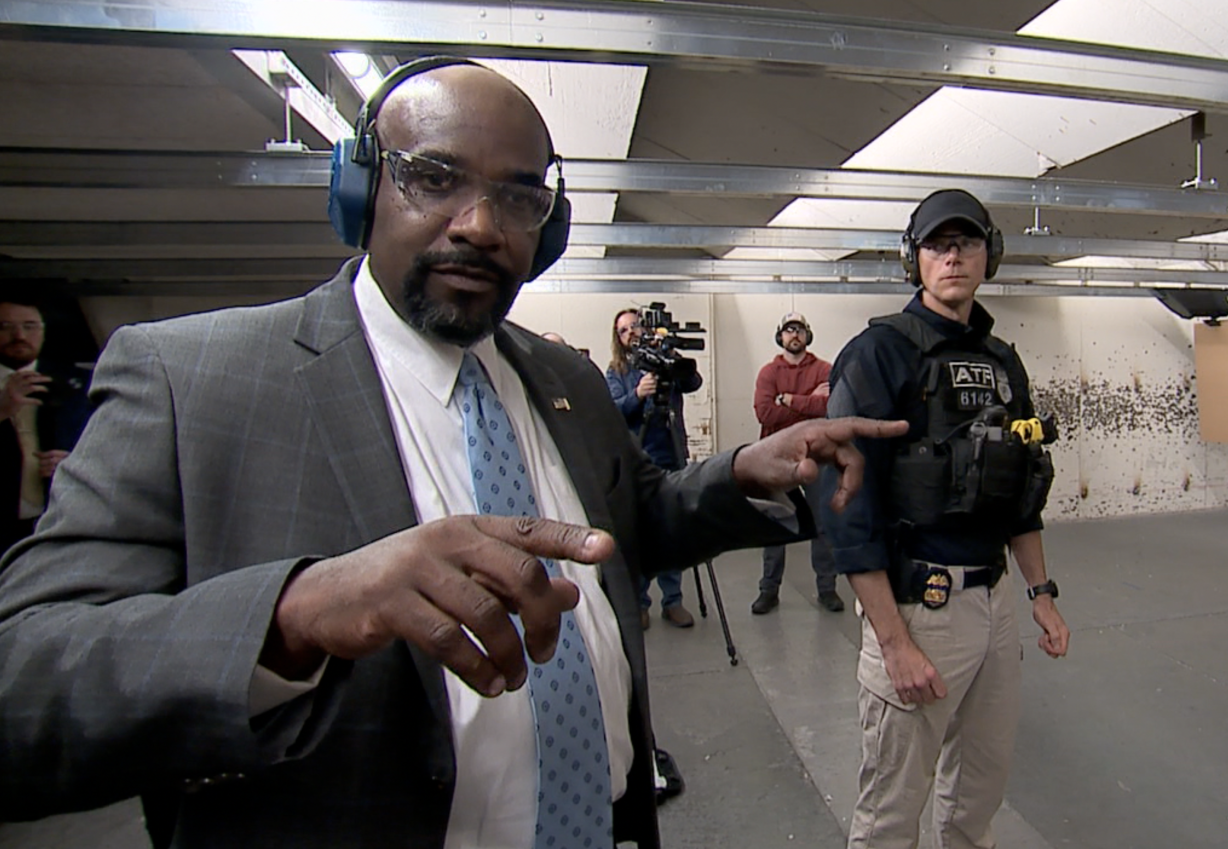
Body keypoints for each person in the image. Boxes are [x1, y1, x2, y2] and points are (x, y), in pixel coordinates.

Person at [0, 59, 904, 849]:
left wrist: (739, 471)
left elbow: (622, 525)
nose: (480, 223)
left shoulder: (563, 376)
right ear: (359, 189)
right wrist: (294, 612)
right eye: (433, 177)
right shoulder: (188, 379)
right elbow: (25, 683)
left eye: (518, 196)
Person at [821, 189, 1070, 849]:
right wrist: (895, 641)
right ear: (914, 259)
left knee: (976, 798)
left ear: (991, 254)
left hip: (993, 602)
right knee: (890, 813)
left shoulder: (1004, 361)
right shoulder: (878, 354)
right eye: (937, 244)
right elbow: (849, 509)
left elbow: (1022, 488)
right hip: (919, 604)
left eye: (966, 242)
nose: (952, 255)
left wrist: (1040, 592)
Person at [605, 308, 702, 630]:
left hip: (671, 454)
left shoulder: (663, 359)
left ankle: (673, 601)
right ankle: (640, 602)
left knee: (672, 529)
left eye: (635, 326)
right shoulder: (616, 371)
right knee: (641, 533)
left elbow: (693, 381)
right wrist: (637, 395)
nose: (631, 332)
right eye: (623, 330)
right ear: (617, 338)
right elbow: (613, 412)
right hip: (638, 457)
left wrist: (671, 357)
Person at [750, 311, 842, 615]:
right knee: (775, 524)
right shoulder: (768, 372)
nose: (794, 335)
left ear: (807, 334)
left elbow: (828, 407)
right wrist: (807, 402)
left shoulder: (825, 369)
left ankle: (827, 589)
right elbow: (766, 414)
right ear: (781, 336)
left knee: (822, 524)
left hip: (816, 456)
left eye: (799, 329)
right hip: (776, 457)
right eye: (789, 330)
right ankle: (769, 590)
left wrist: (788, 400)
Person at [0, 300, 92, 551]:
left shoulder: (81, 384)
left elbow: (112, 448)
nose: (19, 336)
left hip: (55, 520)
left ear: (43, 331)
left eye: (29, 326)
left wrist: (75, 463)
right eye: (5, 327)